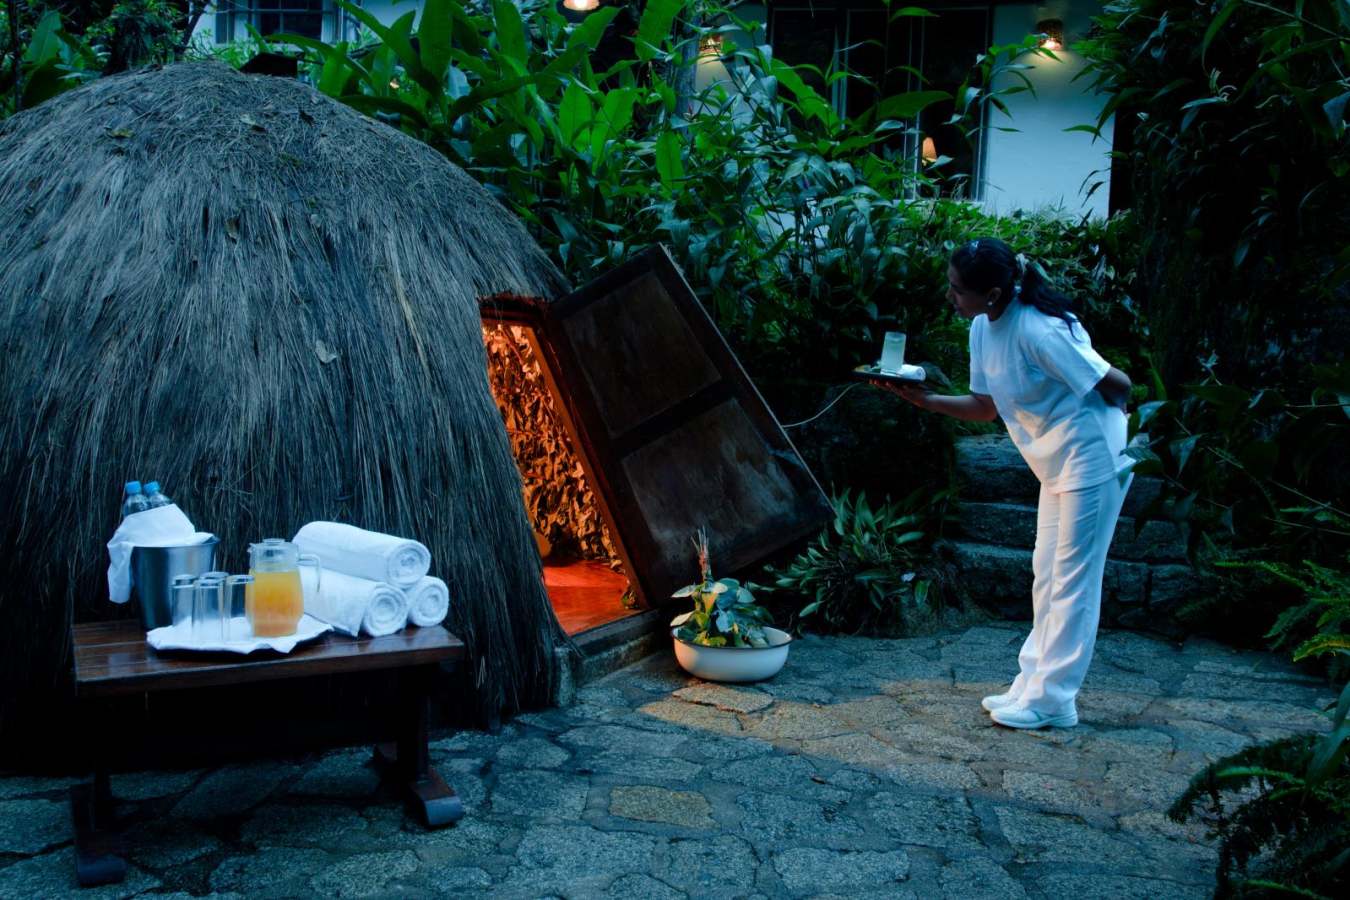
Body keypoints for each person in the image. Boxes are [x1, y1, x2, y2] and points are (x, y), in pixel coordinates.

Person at [874, 237, 1134, 729]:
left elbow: (1117, 385)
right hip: (1054, 461)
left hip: (1093, 456)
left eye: (958, 289)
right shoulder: (982, 327)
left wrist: (1129, 420)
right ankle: (1034, 685)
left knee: (1073, 580)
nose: (950, 296)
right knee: (1047, 573)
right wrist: (925, 400)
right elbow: (984, 406)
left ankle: (1054, 699)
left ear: (993, 293)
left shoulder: (1041, 330)